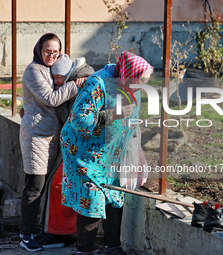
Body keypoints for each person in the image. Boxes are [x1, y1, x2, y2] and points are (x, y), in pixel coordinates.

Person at [60, 51, 153, 255]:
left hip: (112, 153)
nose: (142, 86)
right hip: (85, 152)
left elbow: (132, 121)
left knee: (115, 194)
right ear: (127, 75)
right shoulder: (97, 84)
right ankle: (84, 249)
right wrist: (112, 115)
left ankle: (113, 246)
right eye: (140, 81)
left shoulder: (130, 85)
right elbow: (79, 121)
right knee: (92, 198)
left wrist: (136, 150)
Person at [19, 33, 84, 252]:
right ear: (39, 50)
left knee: (41, 187)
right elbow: (50, 98)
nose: (51, 56)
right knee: (34, 187)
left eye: (55, 52)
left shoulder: (50, 69)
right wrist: (74, 84)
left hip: (49, 138)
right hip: (36, 138)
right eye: (47, 51)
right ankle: (26, 235)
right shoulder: (32, 71)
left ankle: (35, 230)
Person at [38, 54, 95, 237]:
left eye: (58, 78)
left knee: (59, 186)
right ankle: (59, 231)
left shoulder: (81, 83)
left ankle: (61, 233)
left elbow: (72, 118)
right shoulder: (77, 80)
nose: (56, 83)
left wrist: (58, 105)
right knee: (61, 186)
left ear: (67, 74)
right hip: (75, 145)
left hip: (80, 146)